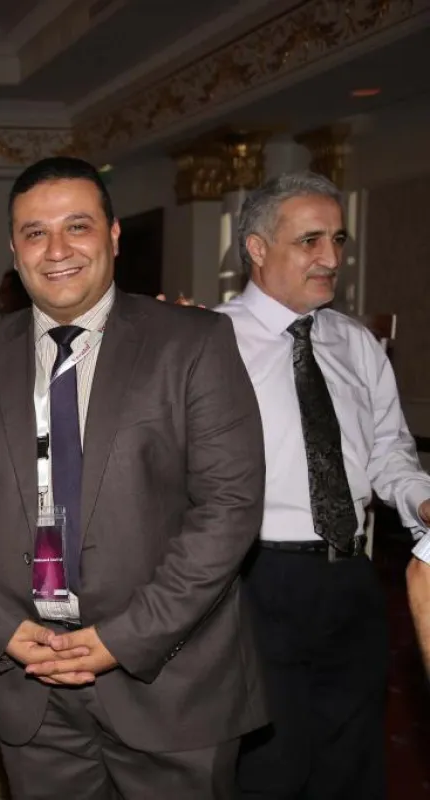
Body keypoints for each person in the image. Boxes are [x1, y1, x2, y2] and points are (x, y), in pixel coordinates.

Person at [0, 156, 268, 798]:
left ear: (113, 235)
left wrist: (125, 638)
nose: (56, 250)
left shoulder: (193, 342)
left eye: (77, 226)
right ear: (14, 249)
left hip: (170, 681)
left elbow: (228, 508)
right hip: (26, 683)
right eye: (35, 232)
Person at [215, 172, 430, 799]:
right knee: (269, 768)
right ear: (257, 248)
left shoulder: (356, 343)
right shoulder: (208, 342)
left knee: (352, 764)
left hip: (353, 579)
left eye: (337, 239)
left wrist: (420, 498)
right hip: (254, 581)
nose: (331, 258)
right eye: (310, 240)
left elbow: (389, 452)